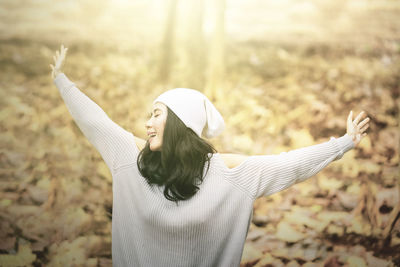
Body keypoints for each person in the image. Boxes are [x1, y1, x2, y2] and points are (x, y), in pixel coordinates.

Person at [50, 44, 370, 267]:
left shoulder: (227, 172)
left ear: (180, 123)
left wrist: (343, 143)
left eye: (157, 114)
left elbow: (288, 164)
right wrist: (62, 81)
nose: (147, 123)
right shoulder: (131, 159)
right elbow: (95, 122)